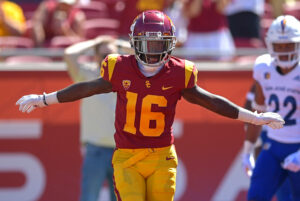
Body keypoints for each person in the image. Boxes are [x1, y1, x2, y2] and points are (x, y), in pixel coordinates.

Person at [16, 10, 285, 201]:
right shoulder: (119, 68)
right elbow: (85, 88)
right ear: (135, 42)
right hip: (127, 157)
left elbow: (211, 101)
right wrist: (44, 99)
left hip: (161, 157)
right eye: (148, 43)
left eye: (159, 44)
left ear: (170, 45)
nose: (153, 50)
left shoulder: (180, 72)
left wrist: (255, 117)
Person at [64, 36, 131, 201]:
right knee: (89, 198)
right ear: (95, 57)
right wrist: (95, 42)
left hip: (122, 151)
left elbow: (144, 56)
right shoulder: (87, 74)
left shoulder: (127, 76)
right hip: (96, 150)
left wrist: (119, 44)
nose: (108, 60)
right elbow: (69, 54)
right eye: (104, 56)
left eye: (113, 56)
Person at [240, 15, 300, 201]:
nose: (283, 51)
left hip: (298, 144)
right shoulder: (263, 67)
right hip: (273, 145)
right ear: (269, 45)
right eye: (279, 46)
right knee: (256, 196)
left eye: (289, 45)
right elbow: (259, 113)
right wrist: (247, 150)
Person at [242, 83, 293, 201]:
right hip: (270, 140)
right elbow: (250, 112)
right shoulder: (265, 72)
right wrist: (253, 145)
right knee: (259, 193)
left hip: (294, 141)